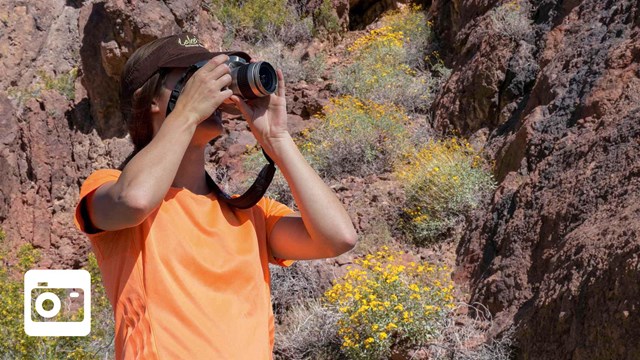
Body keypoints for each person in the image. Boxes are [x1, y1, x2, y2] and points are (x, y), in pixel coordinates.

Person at [73, 33, 357, 359]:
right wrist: (188, 112)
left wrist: (277, 139)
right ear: (150, 98)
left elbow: (338, 238)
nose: (215, 90)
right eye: (196, 77)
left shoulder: (250, 213)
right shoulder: (109, 185)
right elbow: (134, 200)